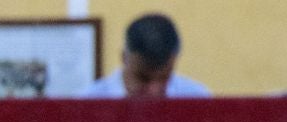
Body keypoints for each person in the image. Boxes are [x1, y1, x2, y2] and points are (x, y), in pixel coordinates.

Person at [81, 13, 209, 99]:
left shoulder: (197, 98)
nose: (154, 91)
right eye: (143, 79)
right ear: (124, 57)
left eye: (164, 78)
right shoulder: (89, 103)